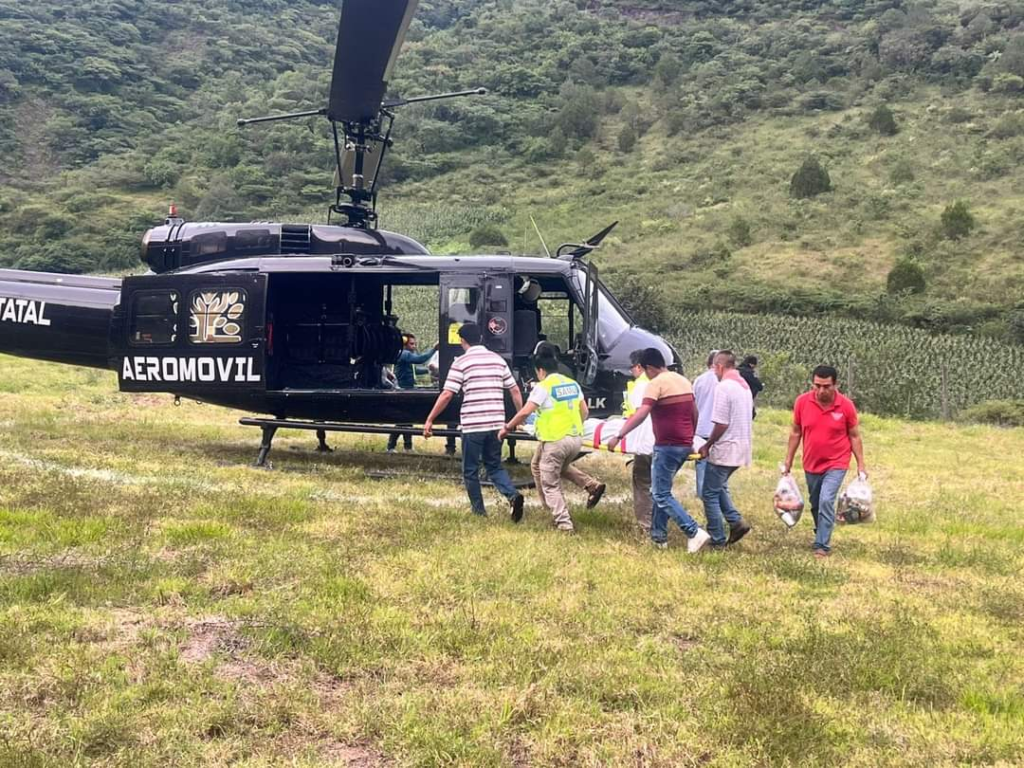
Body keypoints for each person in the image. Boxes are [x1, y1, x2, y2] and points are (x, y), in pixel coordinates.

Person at [607, 348, 711, 553]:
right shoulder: (683, 381)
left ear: (649, 368)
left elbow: (641, 413)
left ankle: (693, 531)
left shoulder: (655, 384)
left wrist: (619, 435)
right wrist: (690, 437)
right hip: (683, 444)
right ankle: (658, 537)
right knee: (662, 491)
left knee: (660, 494)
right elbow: (694, 412)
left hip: (667, 446)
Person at [423, 324, 525, 519]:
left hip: (473, 424)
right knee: (494, 466)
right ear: (480, 338)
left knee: (470, 470)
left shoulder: (461, 362)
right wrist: (520, 417)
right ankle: (512, 495)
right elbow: (514, 390)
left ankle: (479, 512)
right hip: (497, 423)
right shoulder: (497, 360)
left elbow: (447, 394)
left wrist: (430, 419)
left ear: (462, 340)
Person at [500, 353, 600, 532]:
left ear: (541, 370)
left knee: (550, 483)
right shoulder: (572, 384)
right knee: (539, 465)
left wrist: (508, 427)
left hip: (555, 440)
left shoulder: (543, 386)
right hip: (575, 439)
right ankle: (591, 486)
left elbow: (525, 412)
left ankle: (564, 523)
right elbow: (584, 411)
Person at [782, 364, 867, 559]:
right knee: (815, 503)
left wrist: (861, 464)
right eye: (817, 385)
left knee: (826, 500)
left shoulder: (845, 406)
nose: (821, 391)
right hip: (811, 462)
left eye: (826, 386)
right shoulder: (802, 402)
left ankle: (822, 545)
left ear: (835, 385)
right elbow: (796, 432)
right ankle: (820, 529)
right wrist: (788, 461)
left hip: (837, 462)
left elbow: (854, 436)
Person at [696, 350, 753, 548]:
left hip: (726, 449)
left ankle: (717, 539)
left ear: (719, 366)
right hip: (742, 447)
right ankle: (735, 521)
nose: (714, 373)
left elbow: (721, 423)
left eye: (715, 369)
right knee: (717, 487)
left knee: (708, 493)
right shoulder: (743, 386)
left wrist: (708, 444)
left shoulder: (724, 387)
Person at [622, 349, 656, 533]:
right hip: (661, 440)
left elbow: (637, 415)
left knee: (642, 481)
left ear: (638, 367)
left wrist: (620, 435)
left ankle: (646, 526)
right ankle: (659, 522)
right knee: (658, 484)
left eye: (632, 368)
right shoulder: (658, 382)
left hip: (645, 442)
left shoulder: (640, 386)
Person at [387, 333, 438, 452]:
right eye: (411, 344)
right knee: (403, 420)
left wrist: (429, 370)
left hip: (406, 389)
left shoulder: (404, 355)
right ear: (404, 343)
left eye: (415, 344)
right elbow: (420, 359)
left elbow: (415, 370)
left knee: (406, 420)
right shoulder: (404, 354)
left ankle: (406, 446)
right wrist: (434, 349)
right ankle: (393, 446)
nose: (414, 346)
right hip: (403, 389)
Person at [691, 349, 719, 499]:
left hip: (700, 427)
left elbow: (692, 403)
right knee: (717, 464)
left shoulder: (699, 380)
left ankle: (701, 492)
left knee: (701, 462)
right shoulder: (723, 381)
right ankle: (714, 493)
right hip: (717, 428)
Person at [738, 355, 764, 419]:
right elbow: (759, 385)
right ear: (751, 364)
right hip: (746, 399)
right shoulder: (750, 372)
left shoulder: (736, 370)